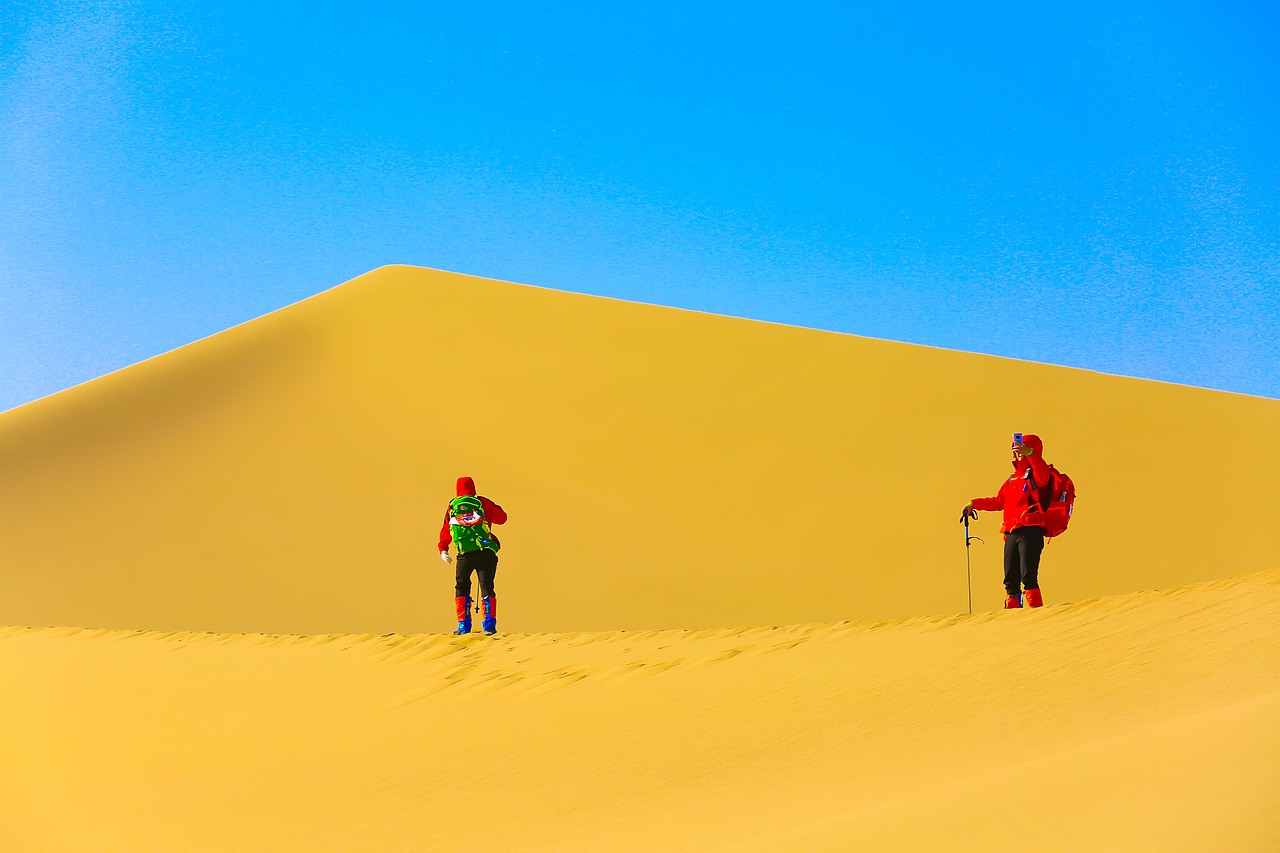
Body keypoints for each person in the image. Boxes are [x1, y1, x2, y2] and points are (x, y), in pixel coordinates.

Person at [961, 433, 1052, 609]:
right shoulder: (1012, 478)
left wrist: (1031, 454)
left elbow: (1043, 479)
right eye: (1015, 447)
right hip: (1011, 531)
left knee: (1029, 576)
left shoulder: (1039, 472)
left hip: (1030, 529)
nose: (1017, 450)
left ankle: (1038, 615)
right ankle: (1013, 615)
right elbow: (998, 501)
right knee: (1010, 579)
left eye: (1021, 447)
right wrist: (974, 504)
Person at [438, 476, 507, 634]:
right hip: (486, 552)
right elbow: (502, 519)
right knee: (487, 586)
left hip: (465, 554)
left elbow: (446, 528)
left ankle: (463, 625)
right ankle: (489, 625)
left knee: (461, 587)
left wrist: (443, 548)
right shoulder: (483, 502)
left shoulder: (453, 505)